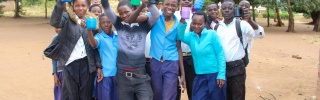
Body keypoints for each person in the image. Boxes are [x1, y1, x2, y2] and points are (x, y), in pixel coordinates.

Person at [101, 0, 160, 99]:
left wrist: (147, 3)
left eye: (126, 12)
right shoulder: (119, 23)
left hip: (141, 76)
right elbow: (106, 8)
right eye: (121, 13)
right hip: (122, 77)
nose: (123, 15)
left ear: (133, 9)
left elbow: (156, 15)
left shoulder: (144, 25)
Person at [50, 0, 101, 99]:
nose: (80, 8)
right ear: (72, 6)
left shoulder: (92, 20)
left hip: (87, 64)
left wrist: (98, 65)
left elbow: (96, 46)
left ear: (88, 6)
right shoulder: (67, 18)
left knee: (86, 95)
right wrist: (60, 3)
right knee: (71, 95)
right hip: (70, 64)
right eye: (77, 5)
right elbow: (54, 22)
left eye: (83, 5)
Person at [216, 0, 264, 100]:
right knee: (223, 96)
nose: (227, 11)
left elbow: (260, 34)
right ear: (221, 10)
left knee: (237, 96)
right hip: (220, 68)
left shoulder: (242, 24)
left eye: (230, 8)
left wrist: (250, 20)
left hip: (237, 68)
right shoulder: (217, 27)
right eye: (224, 8)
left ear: (235, 9)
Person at [178, 10, 226, 100]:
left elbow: (220, 53)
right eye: (194, 23)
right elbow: (180, 36)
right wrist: (183, 19)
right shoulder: (191, 36)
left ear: (205, 24)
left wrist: (221, 74)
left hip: (215, 76)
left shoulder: (212, 34)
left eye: (200, 24)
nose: (196, 26)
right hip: (199, 76)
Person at [148, 0, 186, 99]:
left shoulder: (179, 24)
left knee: (168, 96)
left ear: (177, 7)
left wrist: (182, 74)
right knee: (157, 94)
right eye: (167, 4)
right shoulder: (155, 17)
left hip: (172, 63)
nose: (170, 7)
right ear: (162, 6)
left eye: (173, 5)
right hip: (156, 62)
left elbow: (178, 48)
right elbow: (141, 17)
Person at [87, 14, 118, 100]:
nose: (106, 24)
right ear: (100, 24)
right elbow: (93, 44)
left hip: (118, 75)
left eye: (108, 22)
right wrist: (89, 30)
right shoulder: (99, 37)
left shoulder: (118, 35)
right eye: (103, 22)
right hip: (105, 75)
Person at [173, 0, 195, 99]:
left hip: (192, 58)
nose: (186, 1)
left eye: (189, 0)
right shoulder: (173, 15)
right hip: (174, 58)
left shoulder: (197, 16)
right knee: (174, 89)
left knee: (193, 89)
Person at [52, 28, 63, 100]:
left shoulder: (71, 37)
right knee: (60, 96)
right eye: (56, 28)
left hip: (71, 72)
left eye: (60, 27)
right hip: (60, 72)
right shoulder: (55, 39)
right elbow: (53, 58)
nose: (58, 29)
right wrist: (54, 73)